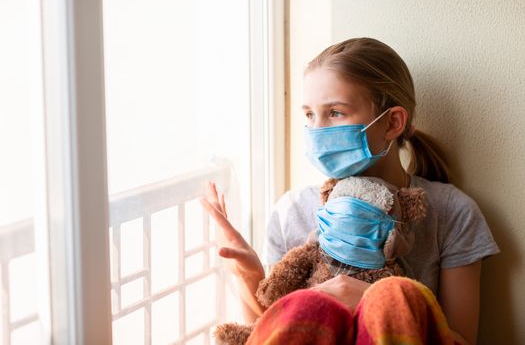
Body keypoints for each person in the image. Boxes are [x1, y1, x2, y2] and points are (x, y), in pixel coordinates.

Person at [200, 37, 499, 344]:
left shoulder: (451, 212)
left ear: (392, 122)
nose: (317, 130)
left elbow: (461, 340)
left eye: (335, 113)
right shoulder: (291, 211)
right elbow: (270, 334)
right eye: (309, 115)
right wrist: (248, 274)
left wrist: (380, 301)